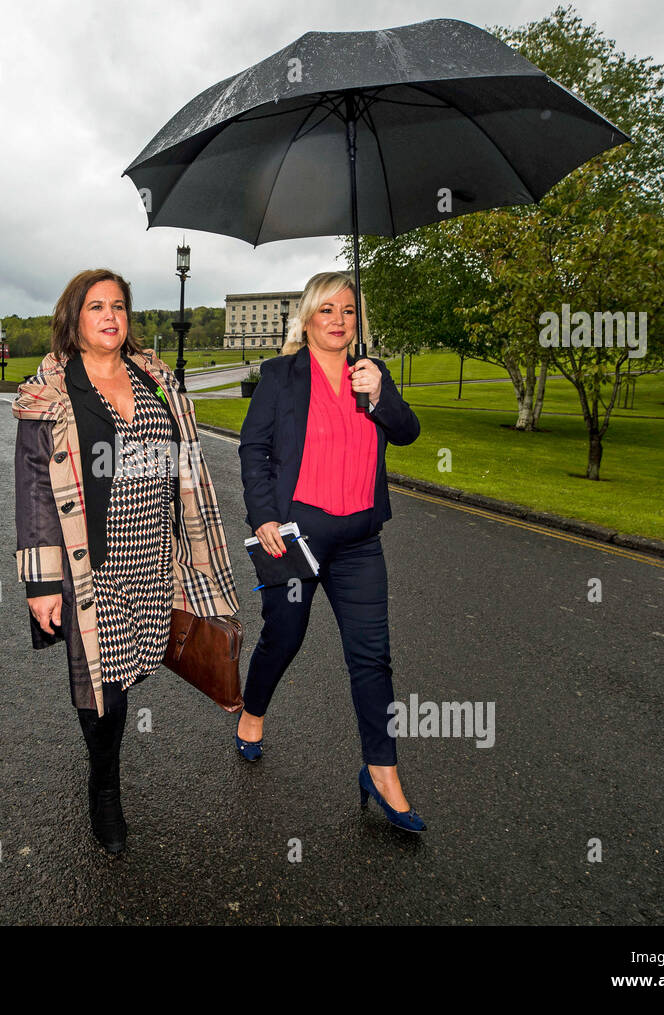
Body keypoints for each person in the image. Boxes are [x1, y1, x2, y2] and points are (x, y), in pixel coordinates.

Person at [13, 268, 239, 854]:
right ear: (74, 320)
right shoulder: (54, 394)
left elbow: (181, 467)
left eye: (118, 306)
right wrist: (41, 583)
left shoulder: (156, 380)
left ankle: (105, 758)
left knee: (130, 669)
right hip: (91, 563)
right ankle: (105, 786)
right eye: (96, 307)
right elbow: (35, 490)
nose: (110, 316)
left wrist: (193, 547)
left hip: (152, 561)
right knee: (101, 686)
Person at [236, 271, 425, 832]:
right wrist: (264, 514)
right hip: (299, 536)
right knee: (284, 637)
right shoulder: (279, 376)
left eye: (348, 310)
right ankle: (252, 711)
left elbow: (409, 432)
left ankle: (382, 771)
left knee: (372, 657)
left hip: (361, 541)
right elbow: (254, 449)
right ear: (308, 318)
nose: (338, 320)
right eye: (327, 310)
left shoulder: (372, 375)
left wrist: (381, 394)